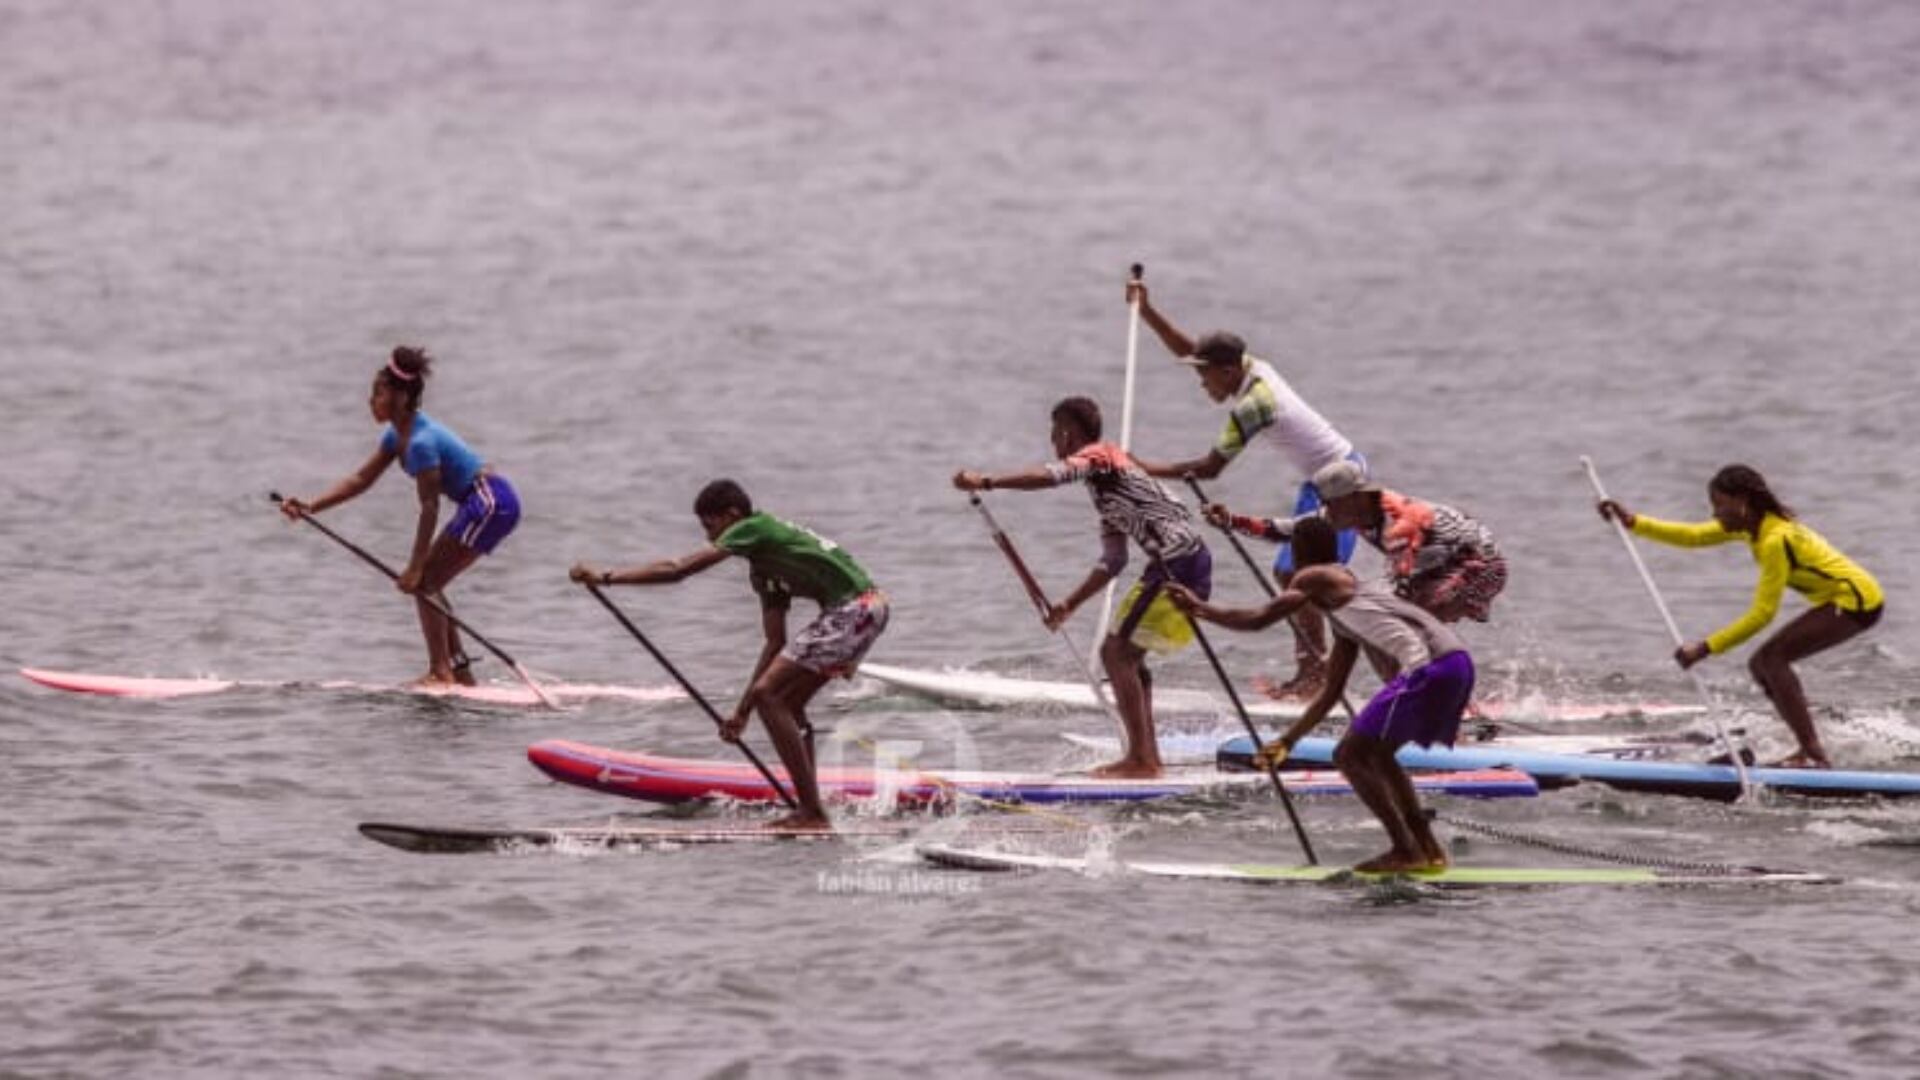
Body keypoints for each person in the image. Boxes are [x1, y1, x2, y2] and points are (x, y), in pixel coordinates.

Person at [569, 480, 888, 830]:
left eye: (711, 526)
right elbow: (774, 643)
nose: (709, 538)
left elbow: (678, 569)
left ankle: (811, 812)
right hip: (864, 611)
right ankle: (810, 806)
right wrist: (741, 713)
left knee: (769, 695)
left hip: (856, 609)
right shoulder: (763, 572)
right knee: (786, 702)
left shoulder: (754, 526)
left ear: (732, 515)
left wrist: (607, 578)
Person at [1168, 517, 1471, 872]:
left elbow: (1258, 619)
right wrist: (1287, 741)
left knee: (1349, 755)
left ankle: (1405, 850)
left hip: (1431, 667)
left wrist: (1200, 608)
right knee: (1378, 754)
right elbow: (1331, 692)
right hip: (1456, 664)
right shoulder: (1345, 613)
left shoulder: (1315, 576)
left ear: (1298, 551)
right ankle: (1428, 851)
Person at [1126, 278, 1365, 699]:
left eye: (1205, 377)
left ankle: (1318, 674)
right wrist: (1147, 311)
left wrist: (1142, 468)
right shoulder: (1249, 366)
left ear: (1227, 372)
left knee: (1298, 574)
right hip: (1318, 481)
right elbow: (1192, 350)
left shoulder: (1256, 405)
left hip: (1343, 483)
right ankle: (1316, 669)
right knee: (1293, 574)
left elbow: (1209, 469)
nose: (1202, 385)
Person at [953, 396, 1212, 779]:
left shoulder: (1103, 456)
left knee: (1115, 653)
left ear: (1068, 433)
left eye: (1054, 432)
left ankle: (1140, 761)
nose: (1052, 441)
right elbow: (1114, 560)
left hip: (1179, 561)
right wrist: (1069, 605)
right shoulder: (1106, 492)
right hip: (1180, 562)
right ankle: (1148, 758)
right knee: (1127, 656)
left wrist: (987, 481)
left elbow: (1050, 476)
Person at [1597, 465, 1883, 769]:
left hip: (1857, 601)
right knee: (1760, 664)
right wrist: (1633, 522)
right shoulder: (1750, 527)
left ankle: (1813, 754)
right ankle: (1805, 738)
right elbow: (1693, 536)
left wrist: (1705, 648)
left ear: (1742, 501)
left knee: (1773, 659)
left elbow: (1762, 614)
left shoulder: (1776, 539)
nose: (1715, 513)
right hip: (1838, 599)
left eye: (1720, 504)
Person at [280, 346, 521, 687]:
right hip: (483, 501)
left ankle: (441, 672)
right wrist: (311, 506)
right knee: (430, 582)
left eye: (378, 393)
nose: (370, 401)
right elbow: (360, 480)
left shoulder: (421, 442)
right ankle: (459, 672)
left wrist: (415, 566)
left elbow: (430, 508)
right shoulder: (396, 436)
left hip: (491, 501)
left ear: (401, 397)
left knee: (426, 581)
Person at [1209, 460, 1507, 625]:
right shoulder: (1352, 512)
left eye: (1332, 503)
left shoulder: (1399, 521)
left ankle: (1454, 700)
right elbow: (1283, 530)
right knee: (1400, 617)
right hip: (1437, 567)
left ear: (1356, 497)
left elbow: (1402, 575)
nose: (1327, 512)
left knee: (1419, 617)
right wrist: (1232, 521)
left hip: (1482, 566)